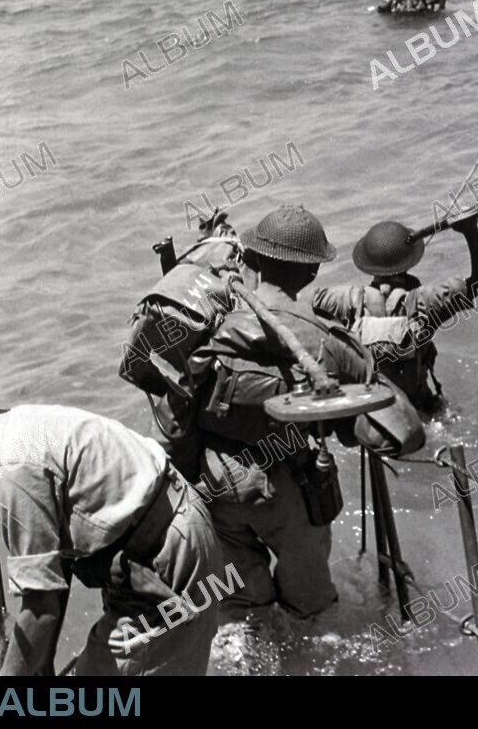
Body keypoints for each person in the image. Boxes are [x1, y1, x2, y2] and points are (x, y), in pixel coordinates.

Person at [186, 206, 423, 639]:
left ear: (253, 262)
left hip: (212, 484)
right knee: (311, 612)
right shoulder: (327, 342)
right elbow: (406, 435)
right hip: (286, 490)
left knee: (243, 614)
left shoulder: (213, 323)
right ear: (313, 272)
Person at [0, 399, 222, 675]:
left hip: (166, 558)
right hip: (169, 535)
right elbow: (53, 573)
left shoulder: (10, 471)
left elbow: (41, 608)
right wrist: (41, 660)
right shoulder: (14, 429)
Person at [311, 216, 478, 415]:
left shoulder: (346, 300)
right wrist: (470, 230)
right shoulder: (425, 301)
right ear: (409, 262)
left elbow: (308, 303)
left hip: (372, 414)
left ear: (367, 263)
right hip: (419, 410)